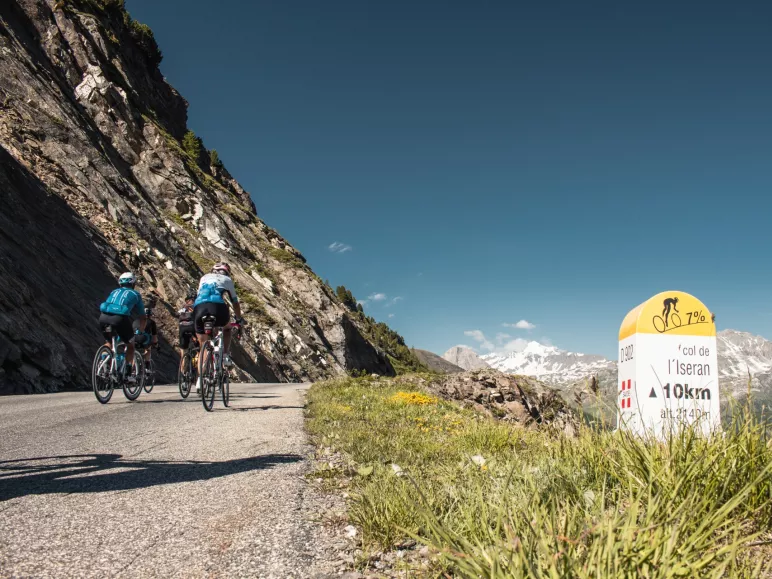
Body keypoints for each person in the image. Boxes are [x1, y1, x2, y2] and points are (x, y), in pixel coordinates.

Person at [193, 262, 244, 393]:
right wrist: (238, 319)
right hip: (218, 308)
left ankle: (200, 380)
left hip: (199, 309)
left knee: (203, 347)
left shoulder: (203, 277)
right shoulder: (227, 279)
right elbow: (235, 302)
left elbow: (200, 295)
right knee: (227, 328)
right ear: (226, 272)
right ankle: (225, 355)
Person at [98, 272, 147, 382]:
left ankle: (104, 365)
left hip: (104, 318)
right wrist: (140, 331)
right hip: (119, 319)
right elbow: (143, 317)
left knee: (109, 342)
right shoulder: (135, 294)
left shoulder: (114, 291)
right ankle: (128, 374)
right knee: (130, 345)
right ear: (133, 283)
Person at [177, 291, 198, 373]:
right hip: (193, 328)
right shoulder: (197, 308)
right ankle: (197, 370)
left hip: (182, 329)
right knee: (199, 350)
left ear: (187, 300)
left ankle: (182, 374)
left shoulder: (183, 308)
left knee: (183, 352)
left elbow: (177, 315)